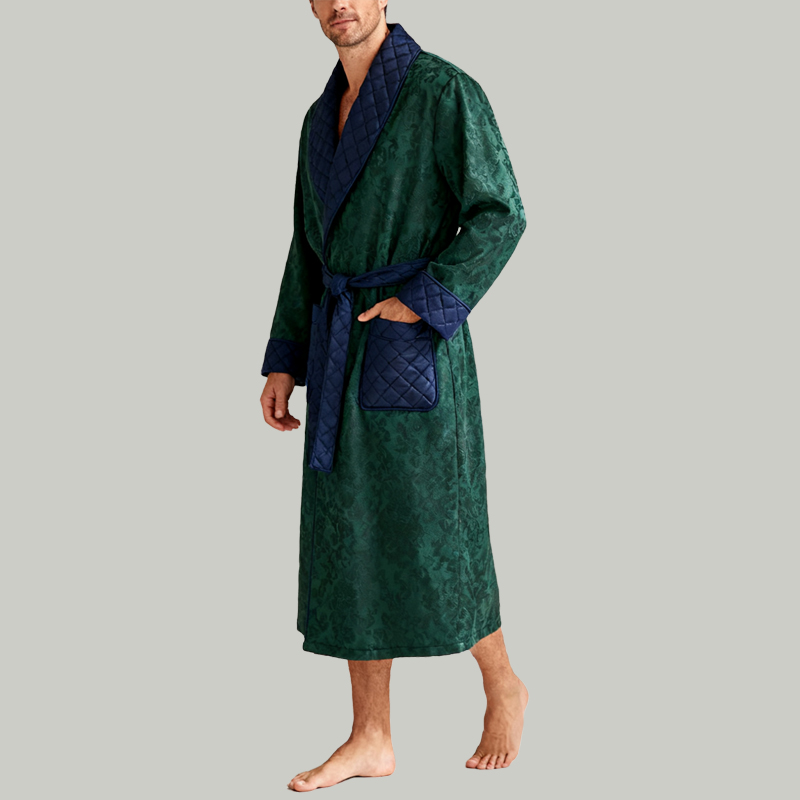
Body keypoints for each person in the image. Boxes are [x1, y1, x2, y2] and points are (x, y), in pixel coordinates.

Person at [259, 1, 528, 791]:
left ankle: (504, 684)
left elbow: (501, 213)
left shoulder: (443, 92)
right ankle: (370, 736)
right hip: (340, 343)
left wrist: (425, 299)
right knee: (351, 537)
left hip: (412, 348)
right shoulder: (319, 120)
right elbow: (308, 248)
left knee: (436, 527)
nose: (339, 3)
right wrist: (285, 359)